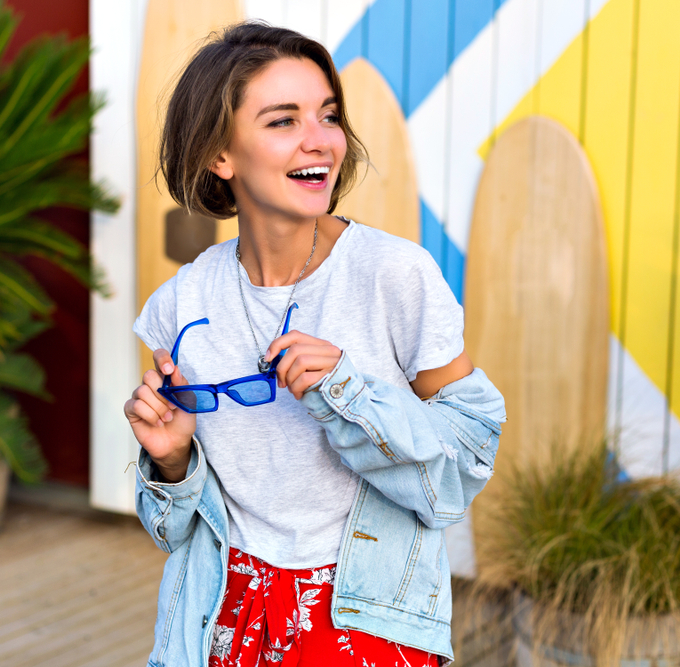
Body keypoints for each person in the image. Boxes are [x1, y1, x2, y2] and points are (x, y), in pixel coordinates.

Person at [123, 21, 506, 667]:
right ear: (222, 154)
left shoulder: (395, 276)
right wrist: (171, 462)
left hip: (365, 616)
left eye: (328, 114)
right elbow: (172, 530)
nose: (320, 139)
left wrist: (351, 396)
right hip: (222, 616)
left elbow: (462, 468)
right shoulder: (179, 307)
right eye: (283, 120)